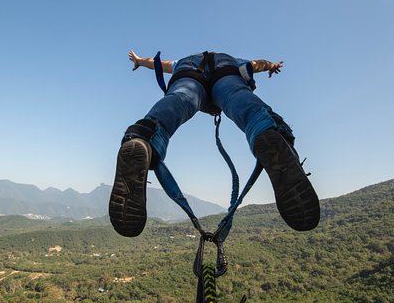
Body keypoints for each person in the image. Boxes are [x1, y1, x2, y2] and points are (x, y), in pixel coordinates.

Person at [109, 50, 320, 237]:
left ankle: (144, 138)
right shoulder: (235, 60)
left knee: (179, 99)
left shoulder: (181, 61)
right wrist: (271, 66)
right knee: (239, 98)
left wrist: (139, 61)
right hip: (226, 73)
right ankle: (269, 130)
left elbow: (161, 64)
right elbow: (256, 64)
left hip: (188, 73)